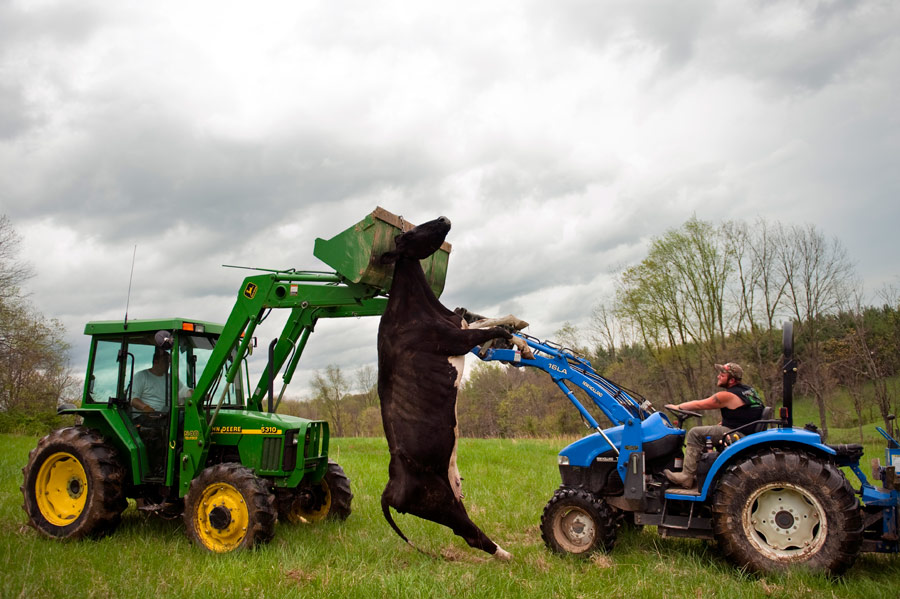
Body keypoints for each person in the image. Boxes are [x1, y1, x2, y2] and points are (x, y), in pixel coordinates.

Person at [663, 362, 764, 489]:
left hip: (738, 435)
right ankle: (699, 472)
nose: (718, 376)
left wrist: (677, 407)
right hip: (745, 431)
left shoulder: (727, 396)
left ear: (732, 380)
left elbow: (700, 404)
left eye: (722, 374)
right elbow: (745, 413)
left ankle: (686, 476)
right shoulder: (748, 391)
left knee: (695, 433)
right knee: (709, 431)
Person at [132, 348, 171, 413]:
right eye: (165, 362)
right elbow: (133, 400)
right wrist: (146, 408)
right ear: (156, 362)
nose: (168, 365)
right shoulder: (141, 376)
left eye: (169, 362)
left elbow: (184, 392)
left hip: (166, 415)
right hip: (145, 416)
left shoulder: (170, 378)